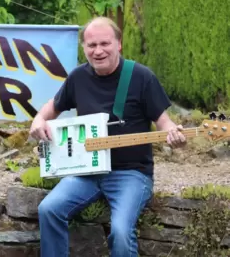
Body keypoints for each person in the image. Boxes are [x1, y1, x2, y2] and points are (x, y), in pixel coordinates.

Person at [29, 16, 186, 257]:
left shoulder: (141, 77)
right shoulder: (78, 77)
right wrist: (38, 121)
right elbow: (51, 107)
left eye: (105, 44)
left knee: (121, 231)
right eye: (91, 45)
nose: (98, 51)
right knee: (49, 209)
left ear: (119, 44)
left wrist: (173, 134)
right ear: (84, 48)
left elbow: (164, 122)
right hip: (86, 172)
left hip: (131, 174)